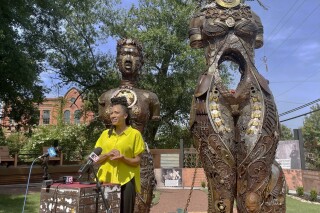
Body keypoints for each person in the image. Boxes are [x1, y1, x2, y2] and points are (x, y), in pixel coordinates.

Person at [95, 96, 145, 213]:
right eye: (111, 113)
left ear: (125, 115)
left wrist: (123, 158)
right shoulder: (104, 134)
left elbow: (137, 161)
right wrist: (107, 155)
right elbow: (94, 159)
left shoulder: (135, 134)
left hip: (126, 181)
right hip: (105, 181)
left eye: (116, 113)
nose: (112, 115)